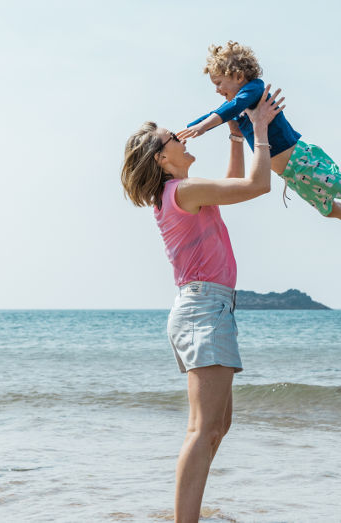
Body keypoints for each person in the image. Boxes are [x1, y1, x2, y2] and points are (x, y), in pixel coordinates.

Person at [121, 85, 283, 523]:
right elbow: (257, 184)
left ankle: (189, 513)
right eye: (175, 137)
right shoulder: (181, 192)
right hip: (203, 310)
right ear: (161, 157)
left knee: (217, 426)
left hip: (209, 309)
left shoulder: (183, 192)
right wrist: (261, 128)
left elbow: (234, 184)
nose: (184, 137)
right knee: (202, 429)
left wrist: (235, 133)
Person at [179, 40, 341, 258]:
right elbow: (221, 113)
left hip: (301, 160)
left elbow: (226, 111)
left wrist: (201, 128)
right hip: (291, 173)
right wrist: (186, 130)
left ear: (237, 75)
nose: (216, 89)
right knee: (330, 210)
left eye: (219, 82)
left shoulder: (254, 89)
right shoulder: (240, 105)